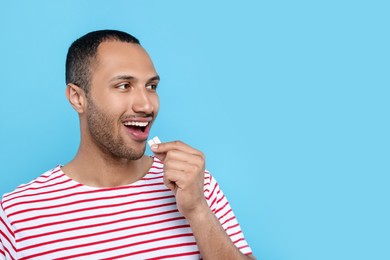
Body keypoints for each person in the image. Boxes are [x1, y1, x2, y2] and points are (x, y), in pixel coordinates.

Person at [0, 30, 254, 259]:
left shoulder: (197, 186)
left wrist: (198, 211)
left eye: (151, 86)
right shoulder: (17, 212)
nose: (146, 105)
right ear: (77, 98)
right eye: (124, 86)